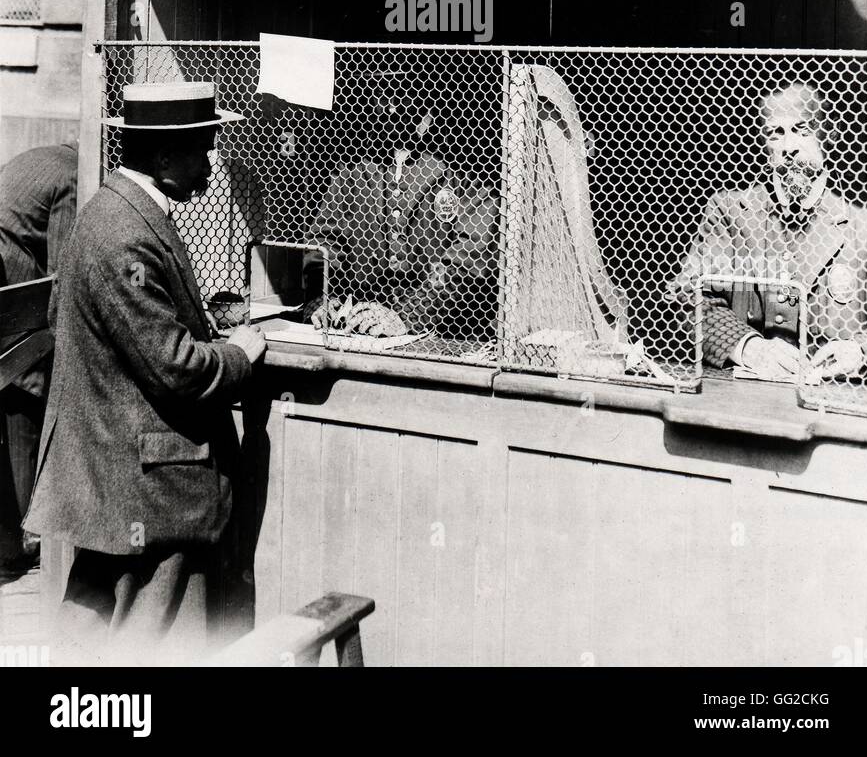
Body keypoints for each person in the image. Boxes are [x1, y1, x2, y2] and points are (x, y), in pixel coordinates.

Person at [23, 83, 266, 664]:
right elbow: (176, 366)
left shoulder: (111, 213)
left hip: (110, 467)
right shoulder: (126, 231)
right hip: (147, 474)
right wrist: (241, 353)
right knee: (154, 631)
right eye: (199, 151)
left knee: (96, 614)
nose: (208, 165)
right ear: (162, 159)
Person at [671, 83, 867, 381]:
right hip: (741, 395)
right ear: (763, 144)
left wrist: (858, 351)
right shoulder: (728, 212)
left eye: (802, 129)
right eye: (776, 133)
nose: (789, 146)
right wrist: (747, 347)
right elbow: (690, 295)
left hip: (827, 394)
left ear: (828, 136)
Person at [302, 70, 498, 341]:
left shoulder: (463, 170)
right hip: (361, 318)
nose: (392, 110)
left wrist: (411, 314)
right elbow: (324, 241)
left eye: (404, 107)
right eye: (384, 102)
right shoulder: (355, 167)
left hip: (444, 327)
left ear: (428, 113)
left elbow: (471, 254)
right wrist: (320, 298)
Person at [0, 141, 78, 575]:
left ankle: (15, 535)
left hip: (6, 266)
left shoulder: (45, 156)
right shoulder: (74, 175)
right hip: (13, 276)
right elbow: (60, 272)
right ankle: (25, 535)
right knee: (27, 389)